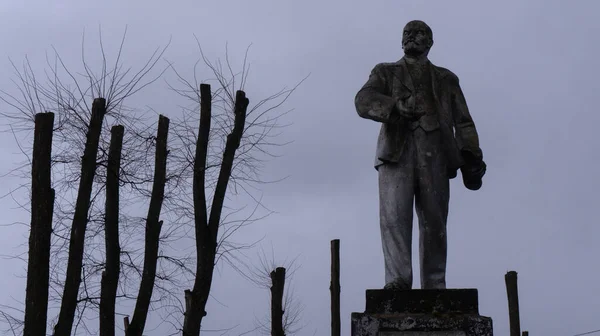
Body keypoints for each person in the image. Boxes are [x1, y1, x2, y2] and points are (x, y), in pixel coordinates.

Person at [354, 20, 486, 290]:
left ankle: (435, 284)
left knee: (435, 220)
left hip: (435, 153)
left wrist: (471, 154)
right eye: (407, 33)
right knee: (394, 218)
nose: (411, 36)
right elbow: (363, 100)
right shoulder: (385, 72)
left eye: (419, 33)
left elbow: (463, 121)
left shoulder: (446, 79)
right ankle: (398, 280)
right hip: (395, 154)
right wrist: (393, 108)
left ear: (430, 42)